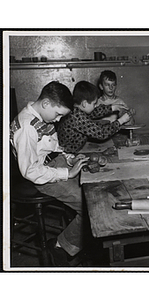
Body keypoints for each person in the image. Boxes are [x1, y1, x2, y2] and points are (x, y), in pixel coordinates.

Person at [10, 81, 90, 266]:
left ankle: (79, 240)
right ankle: (61, 246)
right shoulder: (27, 126)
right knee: (89, 206)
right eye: (58, 114)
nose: (57, 120)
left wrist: (70, 159)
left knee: (94, 187)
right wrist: (67, 173)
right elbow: (30, 170)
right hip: (41, 178)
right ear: (46, 103)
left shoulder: (41, 116)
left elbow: (52, 148)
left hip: (55, 165)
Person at [57, 80, 133, 154]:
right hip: (66, 153)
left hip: (73, 149)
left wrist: (113, 107)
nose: (96, 106)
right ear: (84, 103)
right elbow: (101, 133)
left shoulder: (77, 109)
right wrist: (121, 121)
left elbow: (94, 112)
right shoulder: (76, 117)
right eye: (94, 104)